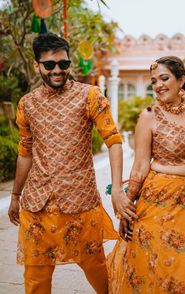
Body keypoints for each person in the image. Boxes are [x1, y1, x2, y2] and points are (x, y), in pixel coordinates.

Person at [8, 32, 137, 294]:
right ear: (37, 66)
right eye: (50, 65)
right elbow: (25, 151)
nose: (58, 70)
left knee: (95, 268)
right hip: (36, 203)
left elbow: (113, 140)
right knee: (35, 276)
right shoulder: (27, 104)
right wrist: (15, 194)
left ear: (69, 63)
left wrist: (117, 189)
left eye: (63, 64)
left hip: (79, 201)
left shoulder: (89, 96)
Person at [107, 56, 185, 293]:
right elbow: (140, 166)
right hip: (159, 202)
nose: (158, 85)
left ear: (181, 80)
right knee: (161, 264)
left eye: (164, 78)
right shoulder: (149, 116)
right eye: (154, 81)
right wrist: (126, 209)